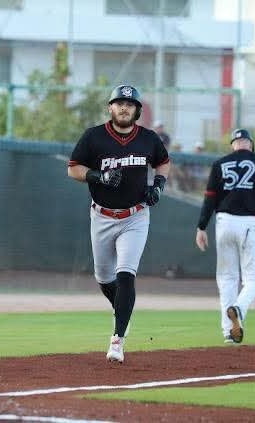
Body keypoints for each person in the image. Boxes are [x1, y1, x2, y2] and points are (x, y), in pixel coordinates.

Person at [68, 84, 171, 363]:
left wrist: (158, 185)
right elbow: (73, 168)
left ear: (137, 110)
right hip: (101, 216)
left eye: (130, 104)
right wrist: (97, 176)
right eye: (119, 103)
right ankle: (124, 312)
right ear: (110, 108)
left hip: (135, 216)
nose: (124, 107)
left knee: (126, 274)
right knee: (104, 279)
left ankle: (117, 339)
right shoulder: (94, 136)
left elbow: (163, 162)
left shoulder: (148, 138)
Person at [195, 128, 255, 344]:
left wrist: (201, 227)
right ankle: (239, 309)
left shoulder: (220, 163)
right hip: (250, 222)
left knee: (227, 278)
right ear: (250, 144)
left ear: (234, 144)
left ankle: (228, 332)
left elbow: (209, 199)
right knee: (252, 281)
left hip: (224, 222)